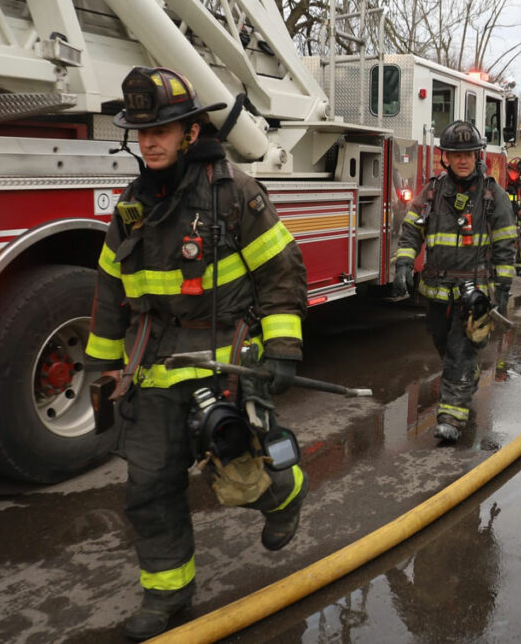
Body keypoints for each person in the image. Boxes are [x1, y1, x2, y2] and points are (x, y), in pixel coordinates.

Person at [84, 67, 308, 640]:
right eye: (141, 131)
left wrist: (282, 347)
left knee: (239, 477)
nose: (150, 141)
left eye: (162, 129)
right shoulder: (132, 207)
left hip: (225, 361)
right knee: (149, 486)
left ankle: (284, 493)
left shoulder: (233, 191)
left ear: (189, 132)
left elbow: (281, 272)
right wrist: (101, 364)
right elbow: (110, 291)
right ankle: (168, 594)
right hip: (154, 367)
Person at [393, 120, 516, 442]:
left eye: (469, 154)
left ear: (478, 156)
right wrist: (404, 262)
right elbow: (410, 230)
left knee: (461, 353)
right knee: (443, 343)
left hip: (474, 292)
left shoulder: (493, 195)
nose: (462, 161)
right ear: (444, 157)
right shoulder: (433, 191)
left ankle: (452, 418)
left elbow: (505, 244)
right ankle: (466, 378)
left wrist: (502, 289)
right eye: (455, 154)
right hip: (435, 289)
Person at [506, 156, 521, 275]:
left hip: (512, 218)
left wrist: (519, 210)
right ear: (508, 169)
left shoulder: (517, 184)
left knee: (511, 247)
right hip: (502, 219)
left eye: (518, 172)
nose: (516, 174)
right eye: (514, 171)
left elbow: (514, 202)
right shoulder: (503, 181)